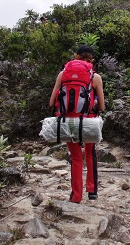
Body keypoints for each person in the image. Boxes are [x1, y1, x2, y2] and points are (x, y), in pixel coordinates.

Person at [49, 45, 105, 203]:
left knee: (76, 158)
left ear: (75, 56)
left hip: (68, 122)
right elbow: (101, 107)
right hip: (88, 122)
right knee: (90, 153)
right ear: (91, 59)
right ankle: (92, 191)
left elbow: (52, 102)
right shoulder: (96, 77)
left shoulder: (63, 74)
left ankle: (76, 197)